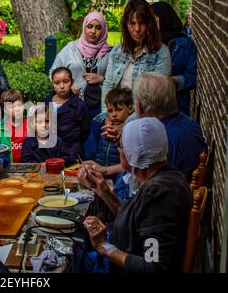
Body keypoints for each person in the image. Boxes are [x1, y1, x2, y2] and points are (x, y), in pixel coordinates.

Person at [78, 117, 192, 273]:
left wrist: (104, 246)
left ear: (132, 153)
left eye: (121, 145)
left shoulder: (159, 195)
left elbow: (153, 265)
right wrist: (105, 192)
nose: (118, 149)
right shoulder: (166, 175)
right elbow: (138, 218)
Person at [83, 72, 206, 204]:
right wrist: (107, 170)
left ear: (140, 107)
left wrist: (102, 189)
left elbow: (139, 203)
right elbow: (144, 166)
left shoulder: (157, 138)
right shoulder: (187, 123)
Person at [101, 0, 172, 116]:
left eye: (142, 23)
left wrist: (124, 125)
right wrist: (106, 116)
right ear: (126, 25)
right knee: (95, 127)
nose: (137, 29)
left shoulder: (161, 53)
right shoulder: (118, 50)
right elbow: (109, 85)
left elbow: (154, 100)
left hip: (143, 118)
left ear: (149, 24)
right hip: (115, 113)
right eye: (132, 23)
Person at [49, 11, 112, 120]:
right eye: (90, 26)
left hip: (101, 107)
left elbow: (116, 81)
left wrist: (102, 79)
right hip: (74, 104)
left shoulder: (109, 52)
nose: (93, 31)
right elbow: (52, 72)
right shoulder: (71, 48)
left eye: (98, 28)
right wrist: (67, 86)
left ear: (103, 30)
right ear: (84, 28)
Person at [152, 1, 197, 116]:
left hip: (177, 105)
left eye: (154, 19)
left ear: (164, 18)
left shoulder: (185, 44)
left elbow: (192, 77)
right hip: (152, 106)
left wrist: (175, 80)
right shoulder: (148, 42)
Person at [43, 67, 90, 162]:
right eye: (57, 83)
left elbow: (85, 131)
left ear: (72, 81)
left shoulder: (79, 105)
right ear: (52, 84)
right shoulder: (45, 102)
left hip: (70, 153)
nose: (62, 86)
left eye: (65, 81)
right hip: (47, 152)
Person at [93, 87, 133, 168]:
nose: (114, 114)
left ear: (130, 109)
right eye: (110, 111)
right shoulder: (101, 126)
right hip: (100, 171)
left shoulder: (132, 130)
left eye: (118, 110)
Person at [0, 89, 28, 163]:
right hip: (9, 167)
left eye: (19, 105)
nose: (18, 109)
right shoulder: (0, 130)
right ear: (5, 110)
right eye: (12, 107)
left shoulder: (31, 125)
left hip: (28, 165)